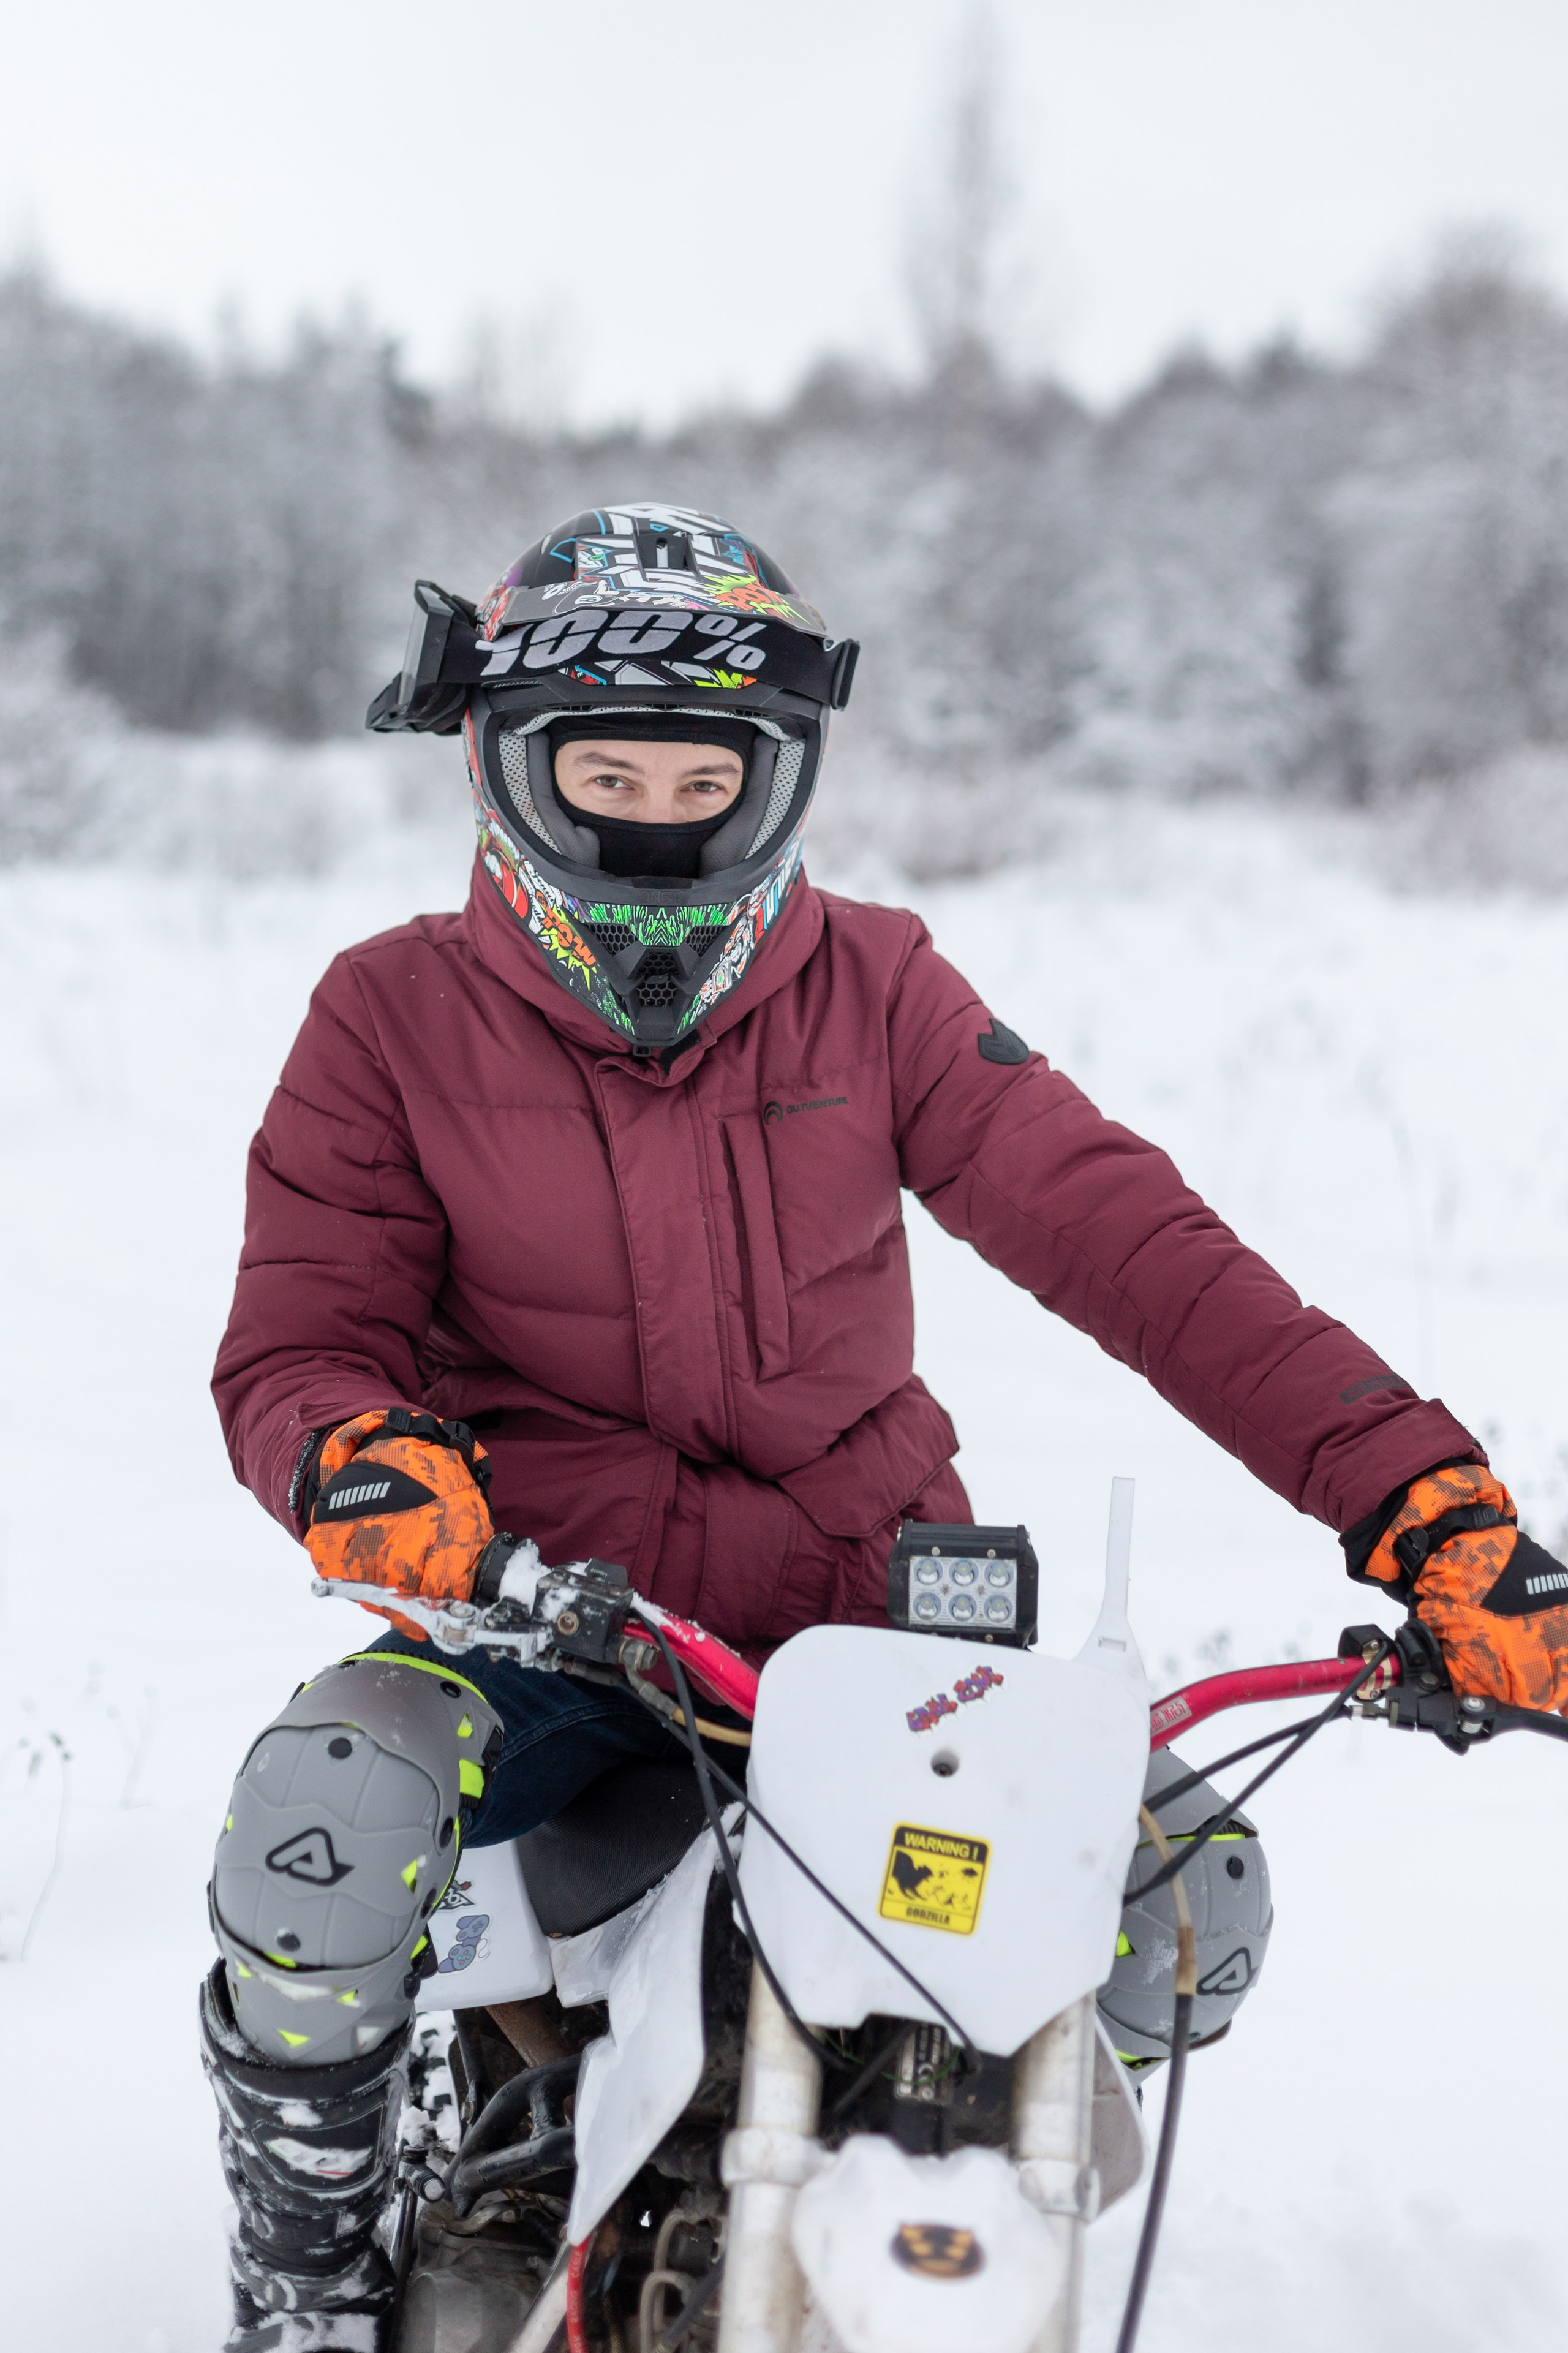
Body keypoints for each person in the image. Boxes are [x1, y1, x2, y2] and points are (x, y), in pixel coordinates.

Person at [201, 502, 1568, 2350]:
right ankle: (310, 2293)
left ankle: (985, 2156)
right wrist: (359, 1464)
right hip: (545, 1622)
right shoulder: (389, 1018)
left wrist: (1428, 1503)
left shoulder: (880, 988)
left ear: (782, 781)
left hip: (874, 1637)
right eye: (604, 775)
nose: (658, 824)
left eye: (708, 781)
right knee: (325, 1815)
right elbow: (305, 1335)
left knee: (1188, 1906)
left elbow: (1145, 1251)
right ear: (502, 767)